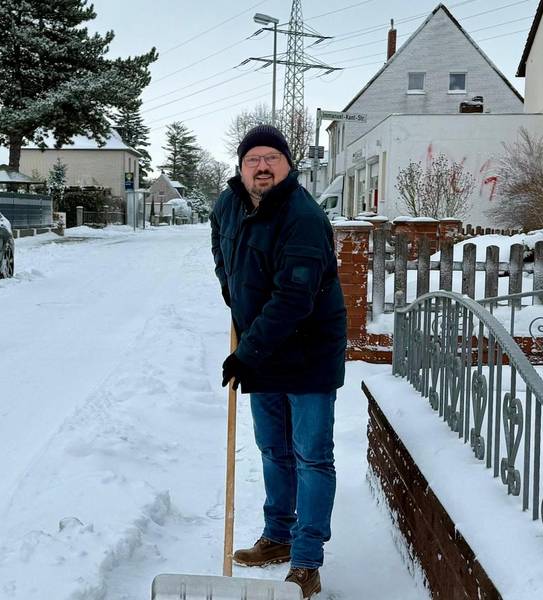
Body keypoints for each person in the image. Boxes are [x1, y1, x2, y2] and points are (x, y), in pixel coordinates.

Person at [209, 125, 347, 599]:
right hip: (263, 349)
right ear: (241, 166)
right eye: (253, 159)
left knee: (311, 456)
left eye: (272, 158)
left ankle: (306, 561)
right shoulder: (228, 203)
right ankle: (277, 536)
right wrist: (232, 292)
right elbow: (220, 249)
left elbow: (294, 297)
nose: (262, 166)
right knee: (273, 449)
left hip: (307, 353)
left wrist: (247, 351)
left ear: (287, 165)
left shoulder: (302, 216)